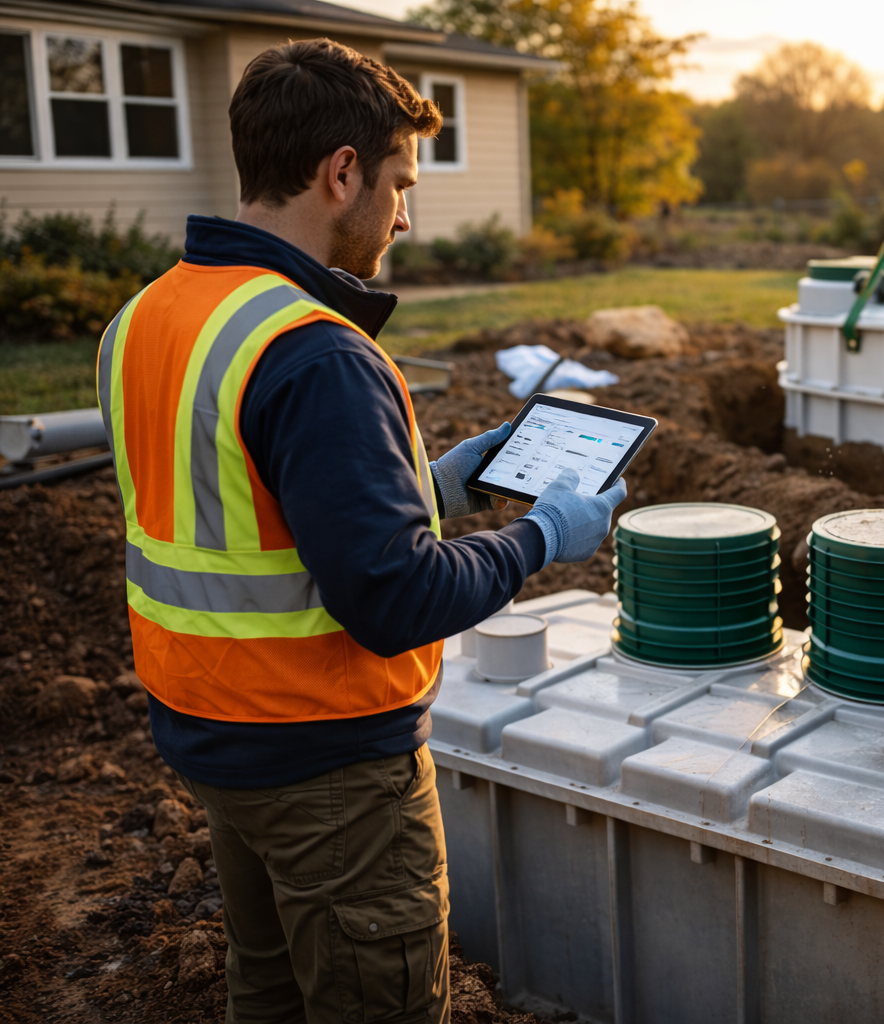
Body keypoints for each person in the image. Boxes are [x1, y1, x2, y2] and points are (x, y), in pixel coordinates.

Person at [95, 39, 625, 1023]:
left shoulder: (147, 318)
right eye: (397, 182)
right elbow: (394, 598)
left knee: (272, 988)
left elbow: (240, 507)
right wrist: (546, 533)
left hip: (214, 736)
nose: (405, 212)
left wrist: (436, 486)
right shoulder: (316, 352)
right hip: (328, 768)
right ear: (342, 174)